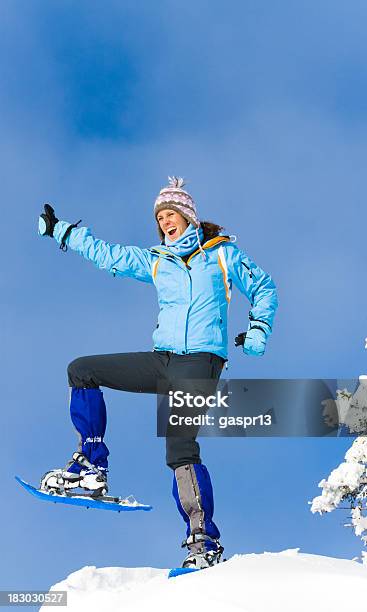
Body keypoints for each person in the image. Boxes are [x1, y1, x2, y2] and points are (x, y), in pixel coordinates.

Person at [37, 177, 278, 569]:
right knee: (82, 371)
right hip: (163, 359)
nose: (166, 222)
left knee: (179, 448)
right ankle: (91, 466)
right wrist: (62, 231)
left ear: (187, 217)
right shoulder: (156, 260)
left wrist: (257, 330)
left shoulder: (222, 253)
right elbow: (110, 255)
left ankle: (203, 539)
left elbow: (264, 287)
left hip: (200, 362)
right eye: (161, 217)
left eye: (171, 214)